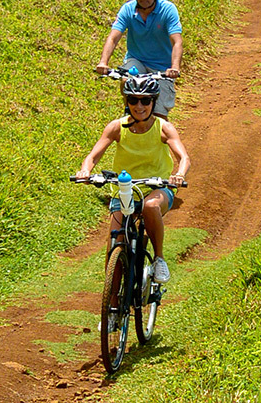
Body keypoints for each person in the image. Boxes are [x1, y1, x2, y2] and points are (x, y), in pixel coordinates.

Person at [74, 76, 190, 286]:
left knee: (150, 206)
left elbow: (183, 158)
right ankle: (112, 311)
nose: (140, 106)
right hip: (125, 189)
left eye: (145, 101)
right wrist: (85, 170)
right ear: (126, 102)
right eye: (133, 100)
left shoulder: (164, 128)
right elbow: (93, 156)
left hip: (158, 188)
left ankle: (159, 259)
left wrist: (179, 175)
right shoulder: (117, 127)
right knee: (115, 243)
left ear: (153, 102)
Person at [96, 0, 182, 118]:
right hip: (137, 61)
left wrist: (174, 67)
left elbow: (177, 42)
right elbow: (113, 38)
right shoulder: (128, 10)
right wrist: (103, 62)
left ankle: (162, 138)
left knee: (158, 115)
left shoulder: (168, 10)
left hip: (161, 68)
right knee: (126, 80)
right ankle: (129, 111)